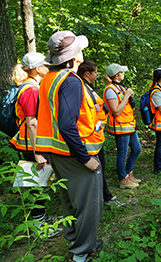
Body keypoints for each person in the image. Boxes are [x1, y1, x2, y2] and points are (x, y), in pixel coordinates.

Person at [35, 30, 104, 262]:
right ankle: (83, 251)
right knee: (88, 206)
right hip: (75, 154)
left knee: (70, 202)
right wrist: (85, 158)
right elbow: (66, 124)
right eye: (80, 50)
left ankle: (77, 239)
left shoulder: (48, 79)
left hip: (58, 153)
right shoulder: (71, 82)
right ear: (75, 58)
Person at [10, 52, 63, 238]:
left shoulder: (28, 86)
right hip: (30, 145)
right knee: (36, 184)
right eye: (45, 65)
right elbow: (32, 122)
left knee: (38, 183)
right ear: (37, 69)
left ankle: (41, 220)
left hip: (28, 143)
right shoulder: (31, 90)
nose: (48, 68)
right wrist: (37, 152)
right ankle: (39, 228)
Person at [77, 60, 126, 208]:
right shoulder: (80, 87)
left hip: (96, 137)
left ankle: (104, 197)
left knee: (100, 170)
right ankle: (100, 200)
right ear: (88, 73)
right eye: (95, 72)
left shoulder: (88, 87)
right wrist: (97, 107)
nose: (98, 74)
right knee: (95, 171)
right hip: (88, 139)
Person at [103, 64, 142, 189]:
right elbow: (116, 111)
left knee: (137, 149)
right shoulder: (110, 90)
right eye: (122, 72)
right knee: (122, 153)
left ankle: (128, 173)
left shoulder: (120, 87)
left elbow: (128, 107)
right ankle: (122, 179)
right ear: (116, 75)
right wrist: (126, 96)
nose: (124, 74)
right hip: (120, 126)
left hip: (129, 125)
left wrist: (129, 96)